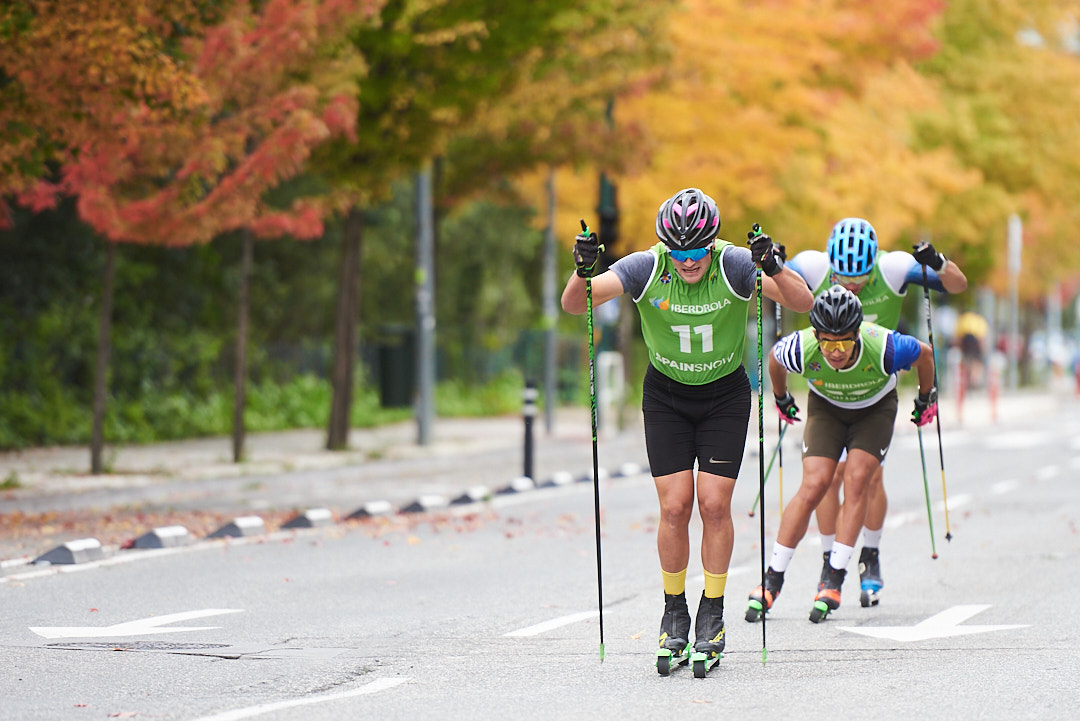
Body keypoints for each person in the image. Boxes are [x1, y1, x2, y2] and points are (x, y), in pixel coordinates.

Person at [561, 188, 813, 665]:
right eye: (680, 253)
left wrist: (773, 265)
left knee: (714, 504)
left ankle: (712, 613)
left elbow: (802, 300)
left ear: (713, 244)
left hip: (724, 396)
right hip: (667, 397)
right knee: (675, 507)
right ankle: (674, 611)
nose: (689, 262)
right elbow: (578, 305)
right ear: (665, 247)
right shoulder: (645, 267)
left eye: (698, 252)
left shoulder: (736, 264)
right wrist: (582, 269)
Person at [785, 218, 967, 607]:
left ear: (874, 264)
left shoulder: (894, 267)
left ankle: (870, 554)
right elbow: (773, 282)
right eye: (842, 277)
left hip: (876, 387)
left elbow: (957, 285)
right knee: (826, 478)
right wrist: (773, 265)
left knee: (867, 479)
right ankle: (830, 560)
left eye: (860, 278)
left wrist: (937, 262)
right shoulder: (813, 266)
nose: (850, 286)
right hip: (828, 387)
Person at [744, 284, 937, 623]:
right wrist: (781, 397)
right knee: (815, 484)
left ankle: (833, 578)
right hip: (827, 409)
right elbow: (775, 359)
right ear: (816, 335)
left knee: (858, 478)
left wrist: (925, 397)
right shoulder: (801, 348)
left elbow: (925, 354)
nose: (835, 351)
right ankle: (772, 578)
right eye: (828, 343)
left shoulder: (887, 348)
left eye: (845, 342)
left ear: (858, 334)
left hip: (874, 410)